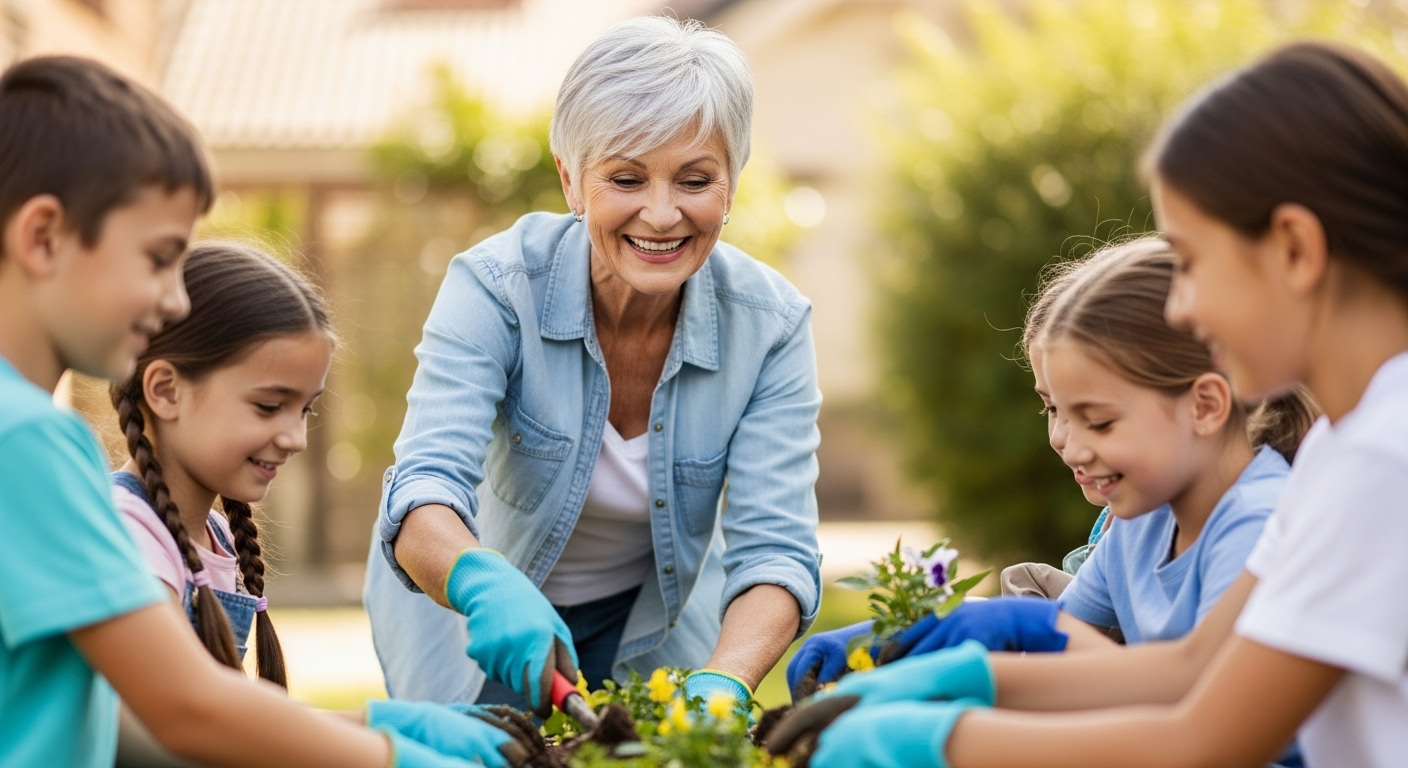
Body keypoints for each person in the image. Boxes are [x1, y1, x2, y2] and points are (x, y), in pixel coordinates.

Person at [801, 39, 1408, 768]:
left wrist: (927, 738)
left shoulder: (1384, 459)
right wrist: (971, 669)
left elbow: (1203, 740)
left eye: (1189, 262)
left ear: (1294, 250)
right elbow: (1190, 670)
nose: (1180, 308)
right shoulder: (1347, 449)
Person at [0, 55, 511, 768]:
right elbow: (183, 708)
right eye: (157, 258)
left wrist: (373, 724)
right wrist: (392, 756)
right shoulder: (25, 439)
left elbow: (115, 722)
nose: (176, 301)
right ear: (44, 236)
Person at [363, 14, 822, 716]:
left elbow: (776, 550)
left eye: (695, 179)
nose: (663, 214)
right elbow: (425, 488)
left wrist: (726, 679)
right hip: (468, 616)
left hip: (655, 623)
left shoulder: (772, 326)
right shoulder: (495, 286)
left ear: (732, 183)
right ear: (572, 180)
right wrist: (482, 583)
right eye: (627, 178)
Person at [787, 240, 1314, 706]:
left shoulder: (1257, 526)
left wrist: (966, 705)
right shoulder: (1140, 521)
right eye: (1053, 410)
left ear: (1204, 405)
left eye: (1100, 421)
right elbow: (1059, 661)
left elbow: (1203, 716)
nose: (1066, 443)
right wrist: (916, 644)